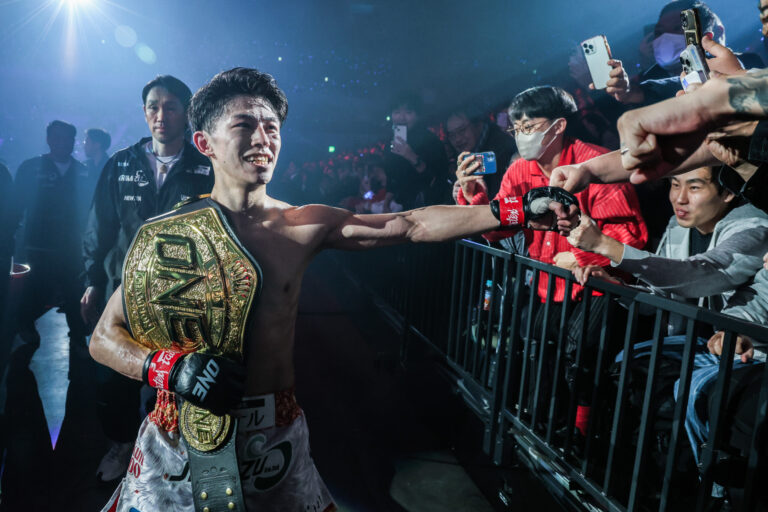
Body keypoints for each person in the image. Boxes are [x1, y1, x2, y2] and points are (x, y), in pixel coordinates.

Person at [89, 67, 580, 511]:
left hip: (275, 436)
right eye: (244, 125)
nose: (263, 138)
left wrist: (513, 210)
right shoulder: (164, 233)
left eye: (272, 128)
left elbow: (409, 224)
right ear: (205, 143)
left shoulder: (303, 225)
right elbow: (104, 338)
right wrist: (168, 368)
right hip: (180, 432)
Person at [454, 85, 647, 436]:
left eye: (529, 126)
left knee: (582, 361)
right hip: (549, 286)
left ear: (558, 126)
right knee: (540, 351)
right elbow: (499, 228)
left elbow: (628, 243)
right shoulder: (518, 173)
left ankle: (584, 436)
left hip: (600, 289)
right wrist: (477, 200)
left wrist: (576, 256)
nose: (521, 136)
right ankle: (544, 430)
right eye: (516, 128)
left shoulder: (600, 166)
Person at [82, 75, 215, 483]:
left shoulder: (205, 167)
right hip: (121, 294)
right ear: (144, 112)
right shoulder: (120, 164)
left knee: (178, 377)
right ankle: (121, 445)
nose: (161, 115)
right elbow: (99, 228)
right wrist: (91, 281)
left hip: (182, 298)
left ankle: (173, 451)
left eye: (171, 106)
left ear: (187, 113)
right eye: (153, 106)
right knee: (115, 378)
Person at [11, 121, 89, 353]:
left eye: (67, 138)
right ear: (48, 139)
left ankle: (78, 338)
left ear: (73, 142)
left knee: (74, 292)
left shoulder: (82, 171)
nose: (62, 142)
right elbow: (16, 205)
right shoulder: (31, 168)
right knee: (36, 291)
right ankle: (25, 327)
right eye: (57, 137)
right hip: (38, 245)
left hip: (73, 246)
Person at [384, 92, 448, 209]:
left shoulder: (430, 140)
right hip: (402, 207)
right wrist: (386, 202)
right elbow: (392, 178)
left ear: (418, 115)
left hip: (429, 207)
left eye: (408, 112)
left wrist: (411, 156)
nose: (402, 117)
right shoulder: (390, 141)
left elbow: (437, 180)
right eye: (397, 112)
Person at [445, 109, 517, 199]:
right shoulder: (457, 160)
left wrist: (482, 196)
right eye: (452, 135)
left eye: (462, 130)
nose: (457, 139)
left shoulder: (504, 150)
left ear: (477, 124)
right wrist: (458, 197)